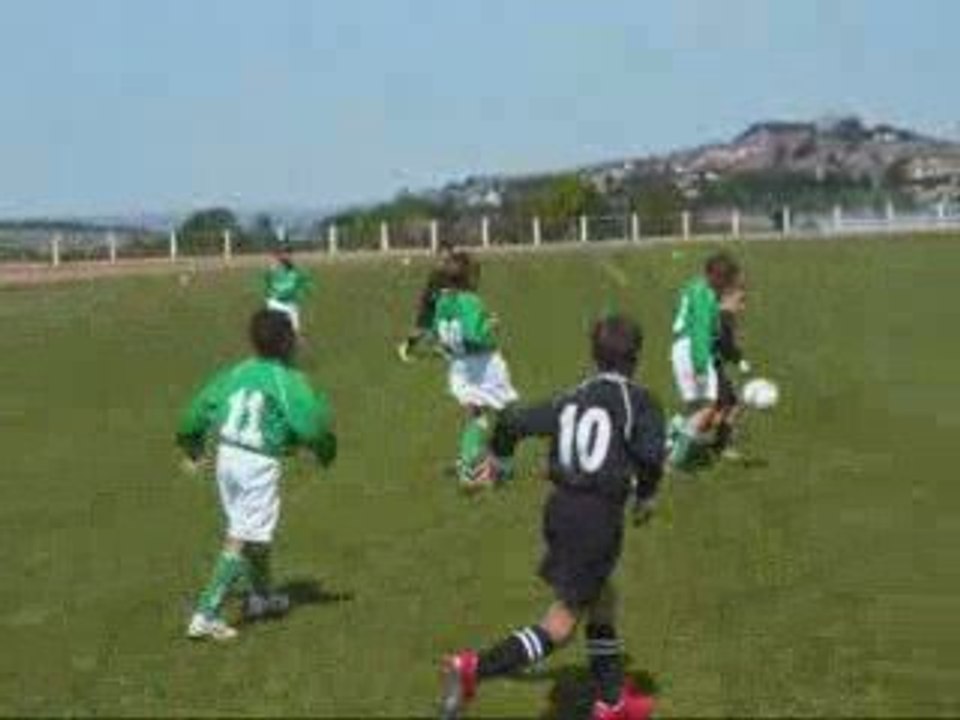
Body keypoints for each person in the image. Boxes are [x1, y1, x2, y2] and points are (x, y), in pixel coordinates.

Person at [439, 315, 665, 720]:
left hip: (561, 509)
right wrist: (646, 498)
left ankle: (612, 701)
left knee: (602, 599)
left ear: (594, 356)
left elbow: (512, 421)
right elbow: (651, 457)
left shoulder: (573, 397)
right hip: (597, 518)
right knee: (560, 625)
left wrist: (502, 460)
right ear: (636, 357)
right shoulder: (639, 401)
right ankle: (472, 669)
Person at [176, 309, 337, 641]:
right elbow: (311, 423)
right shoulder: (287, 379)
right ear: (288, 342)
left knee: (253, 532)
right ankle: (206, 613)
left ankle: (261, 597)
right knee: (243, 535)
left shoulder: (237, 372)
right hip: (256, 463)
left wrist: (191, 448)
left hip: (227, 457)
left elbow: (196, 410)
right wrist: (324, 450)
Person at [432, 251, 519, 487]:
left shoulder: (442, 302)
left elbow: (437, 334)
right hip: (484, 365)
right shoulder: (470, 301)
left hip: (459, 365)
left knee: (478, 417)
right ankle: (500, 466)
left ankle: (467, 465)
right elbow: (475, 334)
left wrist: (448, 348)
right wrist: (490, 324)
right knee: (508, 411)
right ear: (469, 278)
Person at [667, 252, 741, 469]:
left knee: (698, 408)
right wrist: (700, 367)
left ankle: (672, 434)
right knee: (708, 408)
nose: (727, 287)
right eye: (726, 282)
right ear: (717, 278)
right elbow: (700, 332)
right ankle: (674, 459)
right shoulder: (705, 294)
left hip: (681, 347)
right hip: (692, 349)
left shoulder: (694, 287)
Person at [397, 241, 458, 363]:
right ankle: (404, 347)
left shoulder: (448, 269)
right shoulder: (437, 271)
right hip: (429, 304)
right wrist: (443, 293)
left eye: (449, 253)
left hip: (440, 304)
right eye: (445, 253)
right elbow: (433, 290)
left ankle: (443, 349)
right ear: (440, 254)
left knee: (441, 327)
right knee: (421, 331)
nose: (448, 256)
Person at [712, 281, 751, 459]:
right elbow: (725, 345)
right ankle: (720, 446)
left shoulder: (717, 314)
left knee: (726, 405)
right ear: (727, 298)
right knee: (726, 406)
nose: (743, 306)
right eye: (740, 301)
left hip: (712, 365)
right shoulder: (724, 317)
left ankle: (720, 445)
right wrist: (740, 360)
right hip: (710, 366)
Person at [263, 245, 311, 334]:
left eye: (289, 253)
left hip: (290, 303)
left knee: (295, 327)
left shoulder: (294, 269)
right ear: (279, 255)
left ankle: (296, 339)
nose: (287, 255)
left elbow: (300, 282)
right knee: (278, 328)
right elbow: (268, 284)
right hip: (276, 302)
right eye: (284, 253)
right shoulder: (273, 269)